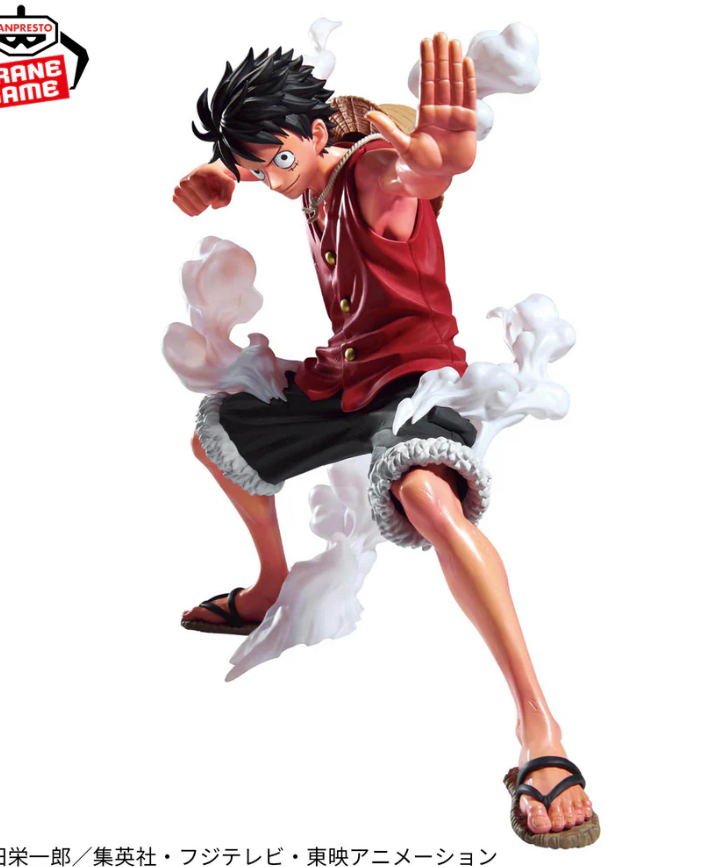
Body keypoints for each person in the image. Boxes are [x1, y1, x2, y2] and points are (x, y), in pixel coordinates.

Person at [172, 33, 598, 848]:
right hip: (343, 376)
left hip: (414, 378)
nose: (270, 179)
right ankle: (270, 584)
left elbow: (408, 174)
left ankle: (539, 727)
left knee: (428, 498)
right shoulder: (302, 160)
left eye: (276, 161)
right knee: (221, 434)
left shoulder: (370, 173)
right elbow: (296, 143)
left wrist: (440, 164)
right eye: (257, 166)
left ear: (317, 139)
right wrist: (224, 171)